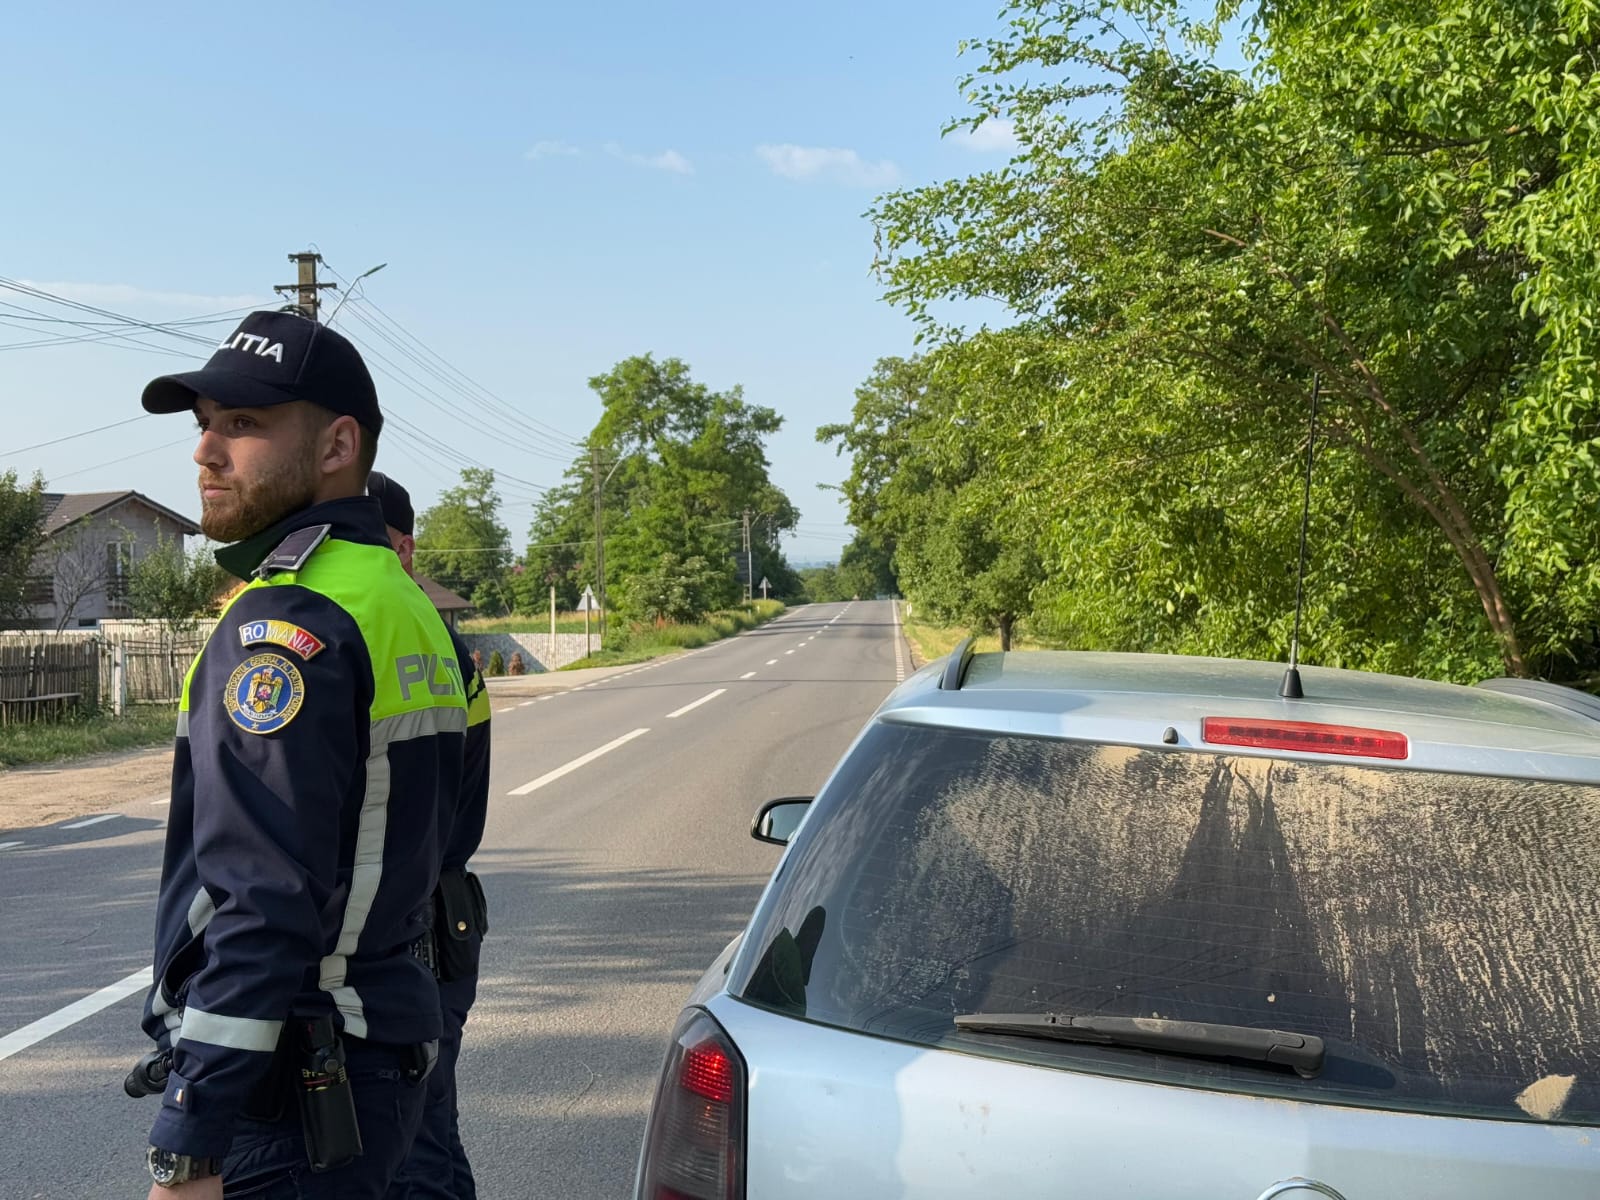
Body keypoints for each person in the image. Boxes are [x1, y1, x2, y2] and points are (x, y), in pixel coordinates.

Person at [129, 311, 468, 1199]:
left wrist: (191, 1139)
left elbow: (264, 901)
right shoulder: (396, 598)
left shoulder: (286, 621)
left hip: (294, 1093)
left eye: (243, 424)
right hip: (380, 1046)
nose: (206, 451)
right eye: (205, 422)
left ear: (337, 446)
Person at [367, 470, 492, 1199]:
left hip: (418, 928)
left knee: (415, 1144)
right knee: (426, 1131)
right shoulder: (434, 641)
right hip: (439, 920)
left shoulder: (405, 638)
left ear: (404, 549)